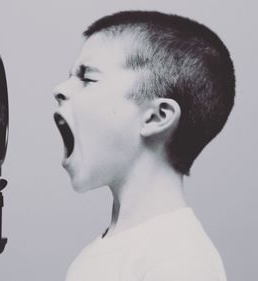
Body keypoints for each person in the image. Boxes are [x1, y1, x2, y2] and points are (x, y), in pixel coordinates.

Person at [53, 11, 235, 281]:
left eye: (88, 78)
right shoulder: (106, 251)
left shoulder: (179, 263)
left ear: (156, 116)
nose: (60, 89)